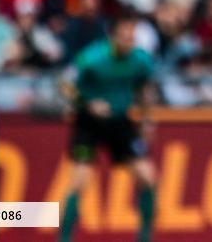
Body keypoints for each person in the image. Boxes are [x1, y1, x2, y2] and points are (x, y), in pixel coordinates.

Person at [59, 16, 156, 242]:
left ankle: (144, 237)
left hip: (121, 123)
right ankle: (64, 237)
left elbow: (144, 88)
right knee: (79, 181)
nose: (130, 41)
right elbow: (64, 83)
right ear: (112, 36)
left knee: (147, 176)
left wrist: (146, 119)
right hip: (90, 125)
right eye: (125, 36)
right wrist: (87, 103)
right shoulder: (92, 58)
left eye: (132, 36)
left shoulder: (140, 60)